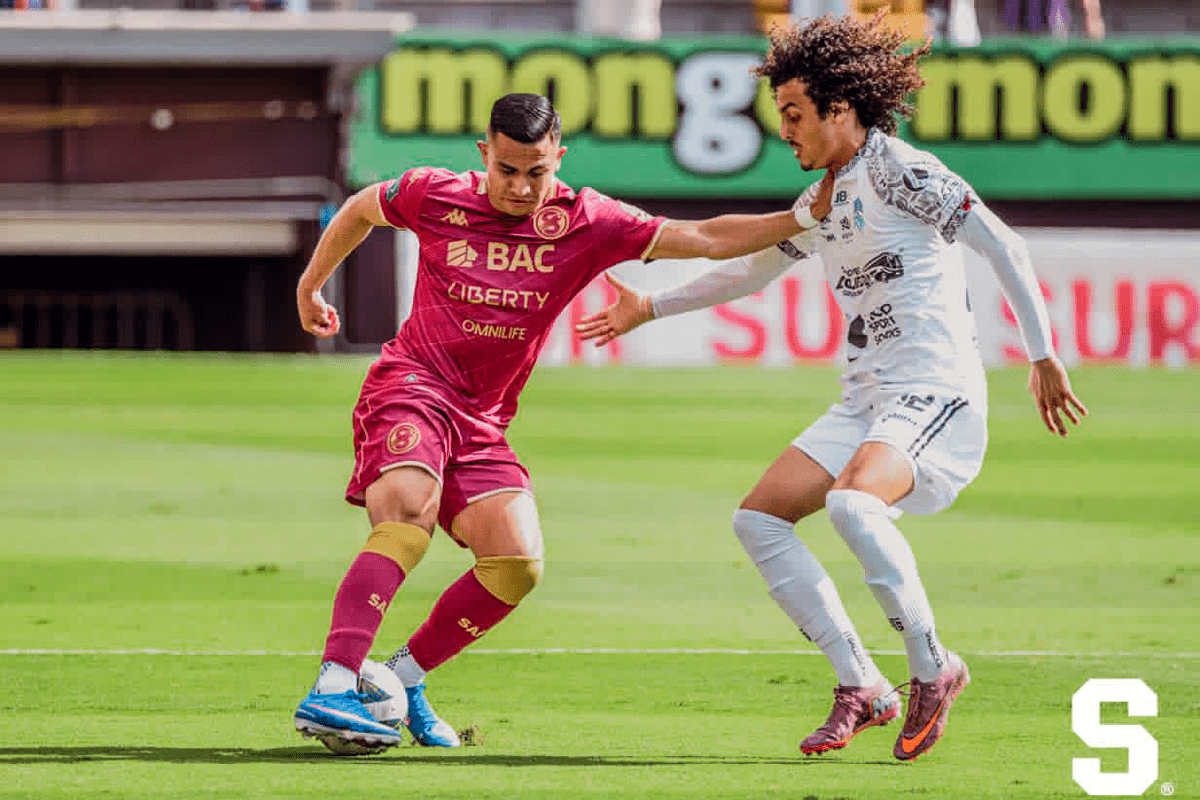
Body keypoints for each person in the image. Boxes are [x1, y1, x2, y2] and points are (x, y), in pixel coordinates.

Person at [577, 13, 1087, 761]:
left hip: (935, 392)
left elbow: (1001, 242)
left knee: (852, 503)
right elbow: (752, 267)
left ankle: (932, 666)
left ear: (840, 109)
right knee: (758, 521)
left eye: (793, 114)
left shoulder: (903, 172)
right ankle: (862, 685)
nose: (784, 129)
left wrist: (1042, 355)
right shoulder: (825, 197)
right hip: (868, 401)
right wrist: (651, 305)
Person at [291, 92, 811, 752]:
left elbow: (704, 237)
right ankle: (333, 686)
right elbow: (363, 208)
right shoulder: (434, 194)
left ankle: (403, 678)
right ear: (485, 154)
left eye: (535, 172)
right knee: (407, 516)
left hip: (481, 421)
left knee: (515, 566)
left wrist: (805, 214)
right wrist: (311, 287)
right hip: (412, 385)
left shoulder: (587, 221)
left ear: (557, 159)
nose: (519, 186)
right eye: (507, 169)